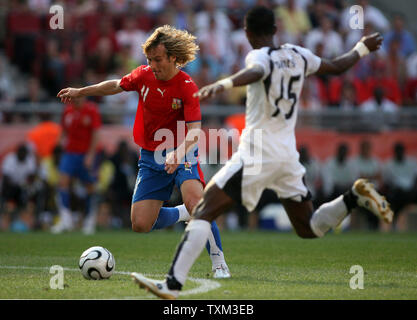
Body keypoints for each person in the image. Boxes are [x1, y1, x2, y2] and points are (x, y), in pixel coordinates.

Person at [131, 6, 394, 300]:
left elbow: (257, 71)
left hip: (257, 152)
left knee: (203, 211)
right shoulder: (298, 54)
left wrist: (226, 83)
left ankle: (172, 286)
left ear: (247, 33)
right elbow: (337, 66)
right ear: (275, 29)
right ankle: (352, 197)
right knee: (308, 227)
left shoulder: (258, 56)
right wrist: (362, 47)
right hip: (287, 156)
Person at [57, 25, 230, 278]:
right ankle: (182, 213)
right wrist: (82, 91)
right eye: (149, 60)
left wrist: (178, 153)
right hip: (150, 155)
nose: (153, 65)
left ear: (172, 57)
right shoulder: (144, 75)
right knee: (140, 224)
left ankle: (218, 262)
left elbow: (195, 131)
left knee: (196, 203)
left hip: (182, 151)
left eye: (157, 60)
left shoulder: (186, 86)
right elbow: (115, 85)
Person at [51, 94, 101, 235]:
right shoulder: (67, 111)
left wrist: (91, 155)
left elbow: (96, 134)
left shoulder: (91, 110)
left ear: (84, 97)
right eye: (75, 98)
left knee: (90, 187)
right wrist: (59, 143)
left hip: (85, 154)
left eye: (79, 97)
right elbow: (64, 131)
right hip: (70, 153)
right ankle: (66, 220)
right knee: (63, 182)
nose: (77, 100)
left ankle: (89, 221)